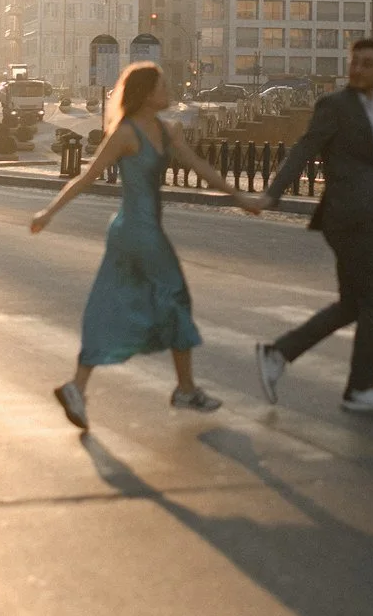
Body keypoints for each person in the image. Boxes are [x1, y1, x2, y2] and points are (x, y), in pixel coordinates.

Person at [30, 61, 256, 428]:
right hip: (139, 232)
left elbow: (200, 168)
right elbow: (87, 177)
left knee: (110, 303)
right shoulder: (126, 132)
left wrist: (239, 196)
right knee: (175, 297)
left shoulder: (168, 132)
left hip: (137, 231)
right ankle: (185, 389)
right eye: (162, 86)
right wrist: (48, 212)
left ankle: (77, 386)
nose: (168, 91)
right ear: (146, 93)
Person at [251, 38, 373, 414]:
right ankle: (360, 389)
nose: (358, 69)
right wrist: (274, 193)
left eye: (367, 64)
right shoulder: (334, 106)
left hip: (367, 214)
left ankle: (278, 353)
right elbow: (304, 147)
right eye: (355, 63)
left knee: (353, 303)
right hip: (346, 216)